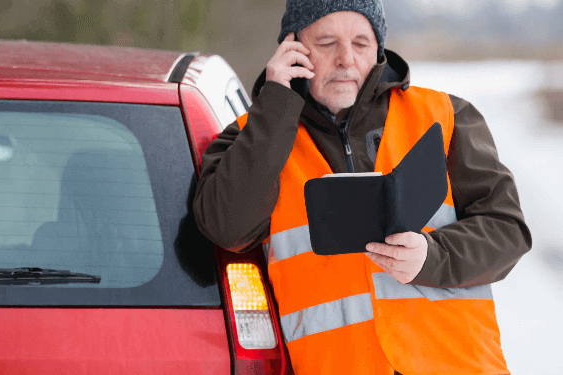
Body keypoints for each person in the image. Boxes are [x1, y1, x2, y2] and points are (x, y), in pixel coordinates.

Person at [192, 0, 532, 374]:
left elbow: (507, 230)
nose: (346, 59)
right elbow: (227, 228)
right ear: (292, 49)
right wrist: (275, 106)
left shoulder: (445, 116)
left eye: (360, 43)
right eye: (326, 43)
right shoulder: (250, 137)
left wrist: (432, 256)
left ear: (379, 49)